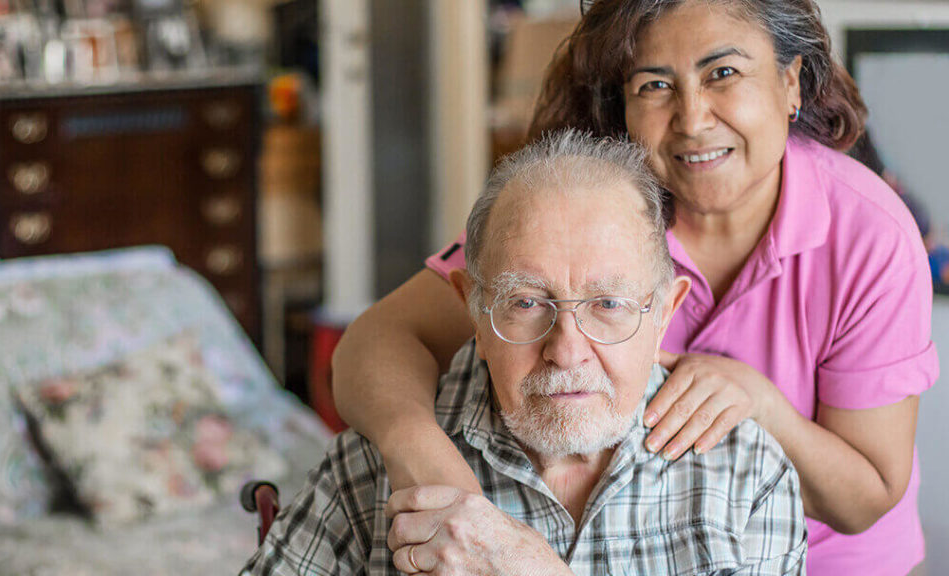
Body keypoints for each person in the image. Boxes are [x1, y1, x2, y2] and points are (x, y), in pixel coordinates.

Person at [331, 1, 938, 575]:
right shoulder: (585, 213)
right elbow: (375, 341)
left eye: (723, 72)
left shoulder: (869, 233)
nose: (694, 119)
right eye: (654, 85)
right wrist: (425, 460)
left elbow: (868, 498)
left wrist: (760, 404)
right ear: (619, 104)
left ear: (790, 83)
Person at [242, 131, 807, 576]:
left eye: (608, 303)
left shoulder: (744, 473)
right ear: (473, 309)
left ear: (663, 313)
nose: (566, 351)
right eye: (527, 302)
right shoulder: (374, 465)